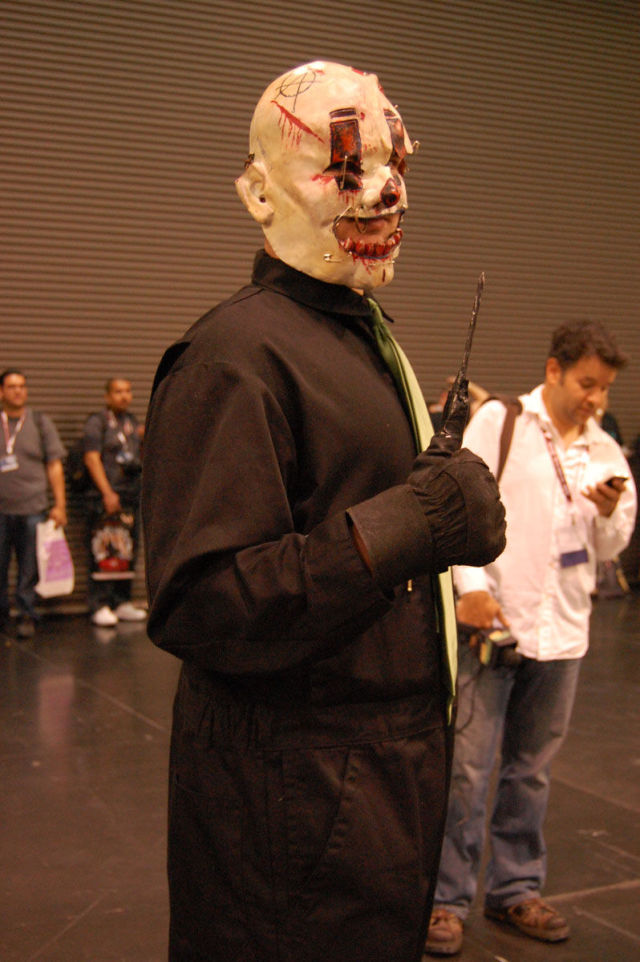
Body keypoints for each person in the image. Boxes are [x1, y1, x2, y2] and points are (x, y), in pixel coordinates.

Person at [142, 61, 506, 962]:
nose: (387, 191)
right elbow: (201, 602)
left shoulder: (352, 337)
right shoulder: (234, 357)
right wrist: (410, 524)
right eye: (346, 169)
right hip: (295, 814)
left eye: (396, 164)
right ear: (260, 194)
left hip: (371, 791)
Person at [424, 320, 637, 956]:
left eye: (605, 388)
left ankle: (515, 889)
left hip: (563, 633)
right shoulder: (501, 422)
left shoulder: (605, 450)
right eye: (587, 383)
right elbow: (457, 507)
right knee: (467, 772)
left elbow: (611, 547)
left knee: (532, 773)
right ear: (553, 371)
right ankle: (446, 900)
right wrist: (468, 589)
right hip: (495, 624)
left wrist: (608, 514)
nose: (596, 398)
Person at [0, 369, 67, 638]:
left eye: (22, 386)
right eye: (12, 386)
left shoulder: (40, 422)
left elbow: (54, 465)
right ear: (1, 392)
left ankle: (26, 614)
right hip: (1, 510)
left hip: (33, 508)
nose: (18, 391)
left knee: (30, 567)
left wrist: (60, 505)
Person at [83, 378, 146, 626]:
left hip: (130, 496)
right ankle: (99, 604)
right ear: (107, 396)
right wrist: (107, 492)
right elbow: (91, 459)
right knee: (103, 548)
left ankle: (122, 602)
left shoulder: (131, 422)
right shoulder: (97, 422)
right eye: (118, 392)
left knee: (127, 549)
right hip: (105, 496)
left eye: (128, 391)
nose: (124, 396)